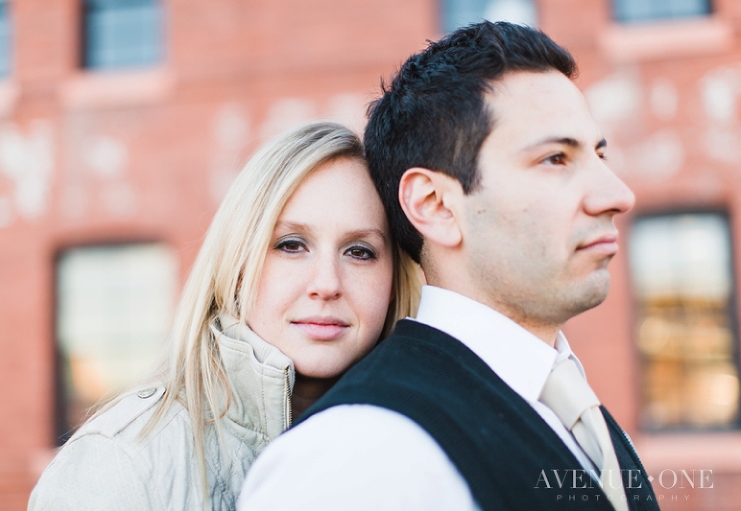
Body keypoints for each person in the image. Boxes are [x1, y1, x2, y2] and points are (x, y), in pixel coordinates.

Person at [239, 22, 660, 511]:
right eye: (555, 159)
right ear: (436, 204)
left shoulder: (571, 407)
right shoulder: (361, 457)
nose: (617, 195)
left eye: (599, 155)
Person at [28, 121, 421, 511]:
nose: (327, 283)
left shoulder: (422, 454)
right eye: (291, 245)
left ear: (393, 282)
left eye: (359, 251)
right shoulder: (120, 466)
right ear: (235, 267)